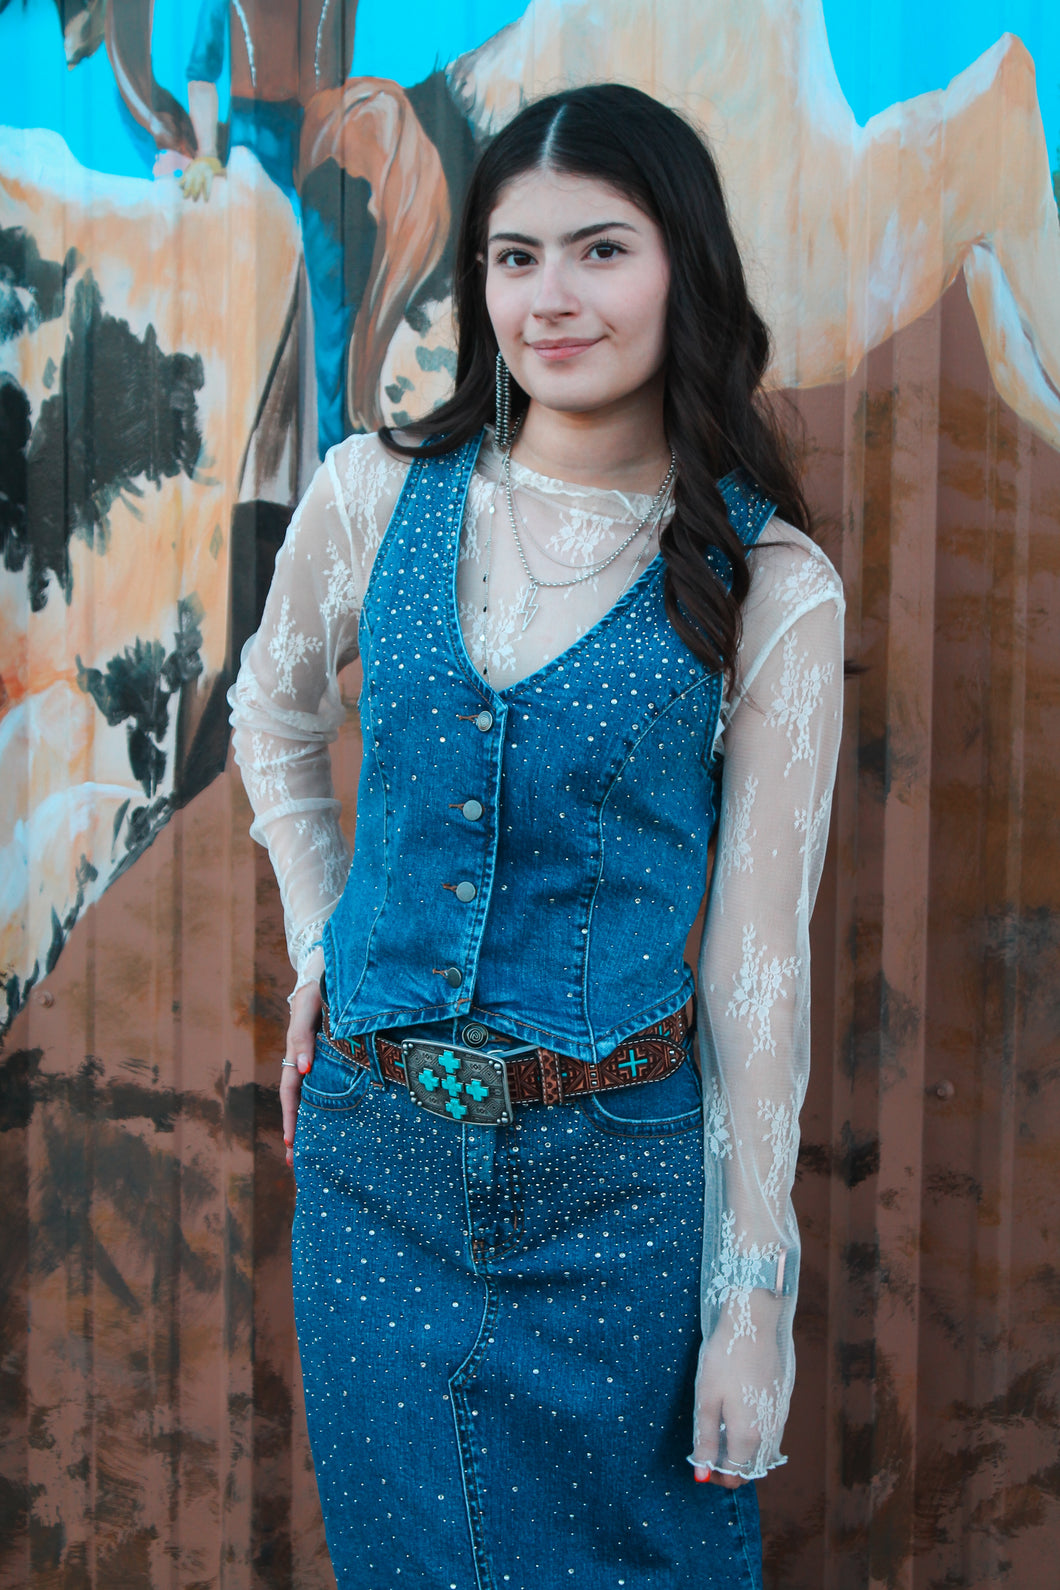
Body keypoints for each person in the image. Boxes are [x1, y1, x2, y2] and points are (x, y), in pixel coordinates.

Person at [229, 82, 844, 1590]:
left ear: (680, 267)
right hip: (375, 1179)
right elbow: (269, 708)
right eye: (513, 258)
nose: (550, 297)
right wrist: (326, 935)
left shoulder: (771, 582)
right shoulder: (377, 494)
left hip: (618, 1197)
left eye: (598, 250)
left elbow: (758, 964)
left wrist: (753, 1293)